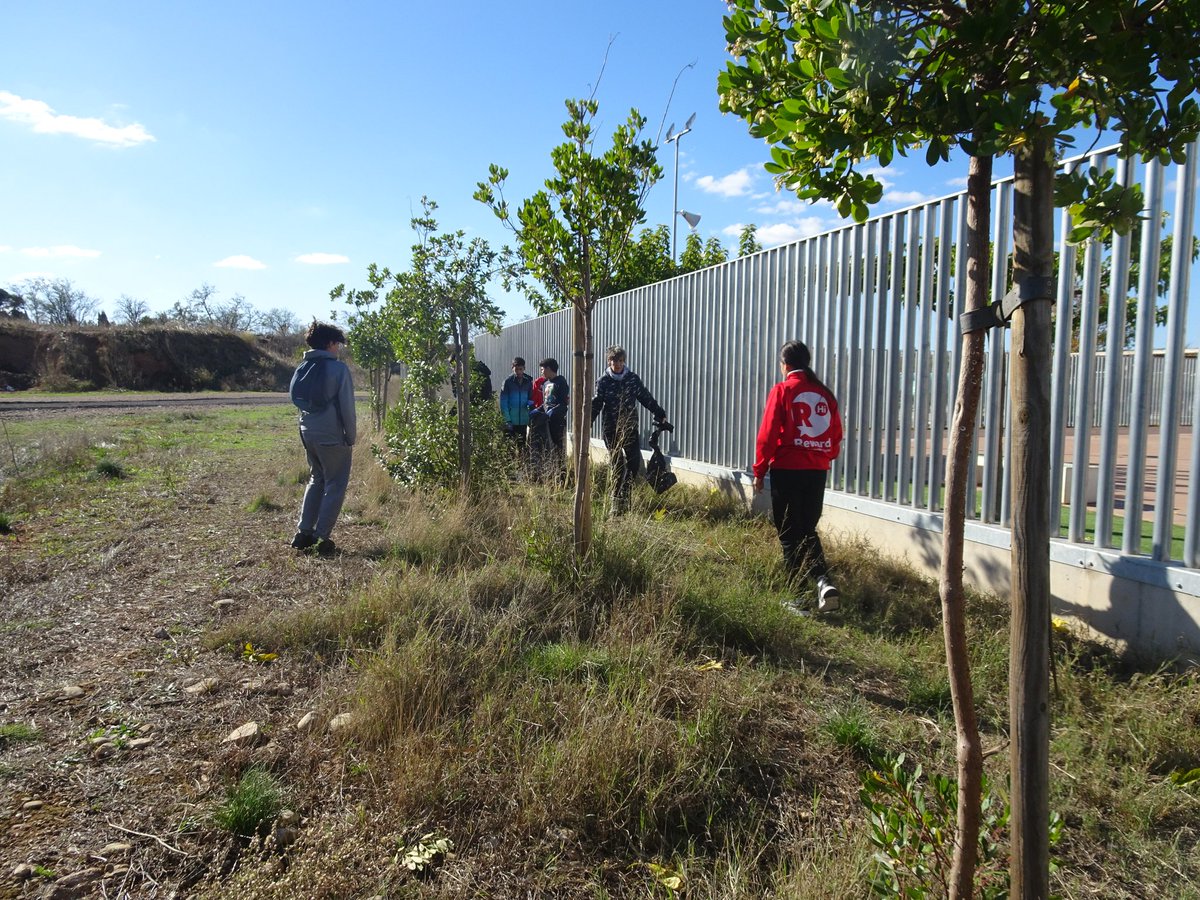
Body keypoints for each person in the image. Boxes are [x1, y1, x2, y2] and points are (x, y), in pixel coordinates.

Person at [752, 340, 843, 612]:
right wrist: (820, 455)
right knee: (806, 529)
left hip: (787, 469)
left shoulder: (782, 391)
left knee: (789, 533)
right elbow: (835, 436)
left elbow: (767, 435)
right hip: (816, 471)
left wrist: (759, 470)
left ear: (785, 365)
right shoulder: (824, 394)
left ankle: (797, 597)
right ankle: (823, 581)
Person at [289, 321, 357, 557]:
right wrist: (351, 436)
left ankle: (303, 532)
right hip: (332, 436)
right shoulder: (338, 370)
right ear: (329, 343)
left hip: (308, 433)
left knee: (316, 479)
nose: (338, 348)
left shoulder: (302, 368)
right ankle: (321, 538)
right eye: (337, 343)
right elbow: (347, 407)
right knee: (335, 484)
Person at [591, 345, 670, 514]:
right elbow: (597, 403)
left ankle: (624, 496)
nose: (617, 364)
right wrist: (588, 422)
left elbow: (645, 397)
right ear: (608, 361)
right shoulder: (603, 381)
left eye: (620, 360)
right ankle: (615, 503)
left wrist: (660, 413)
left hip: (630, 426)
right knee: (617, 464)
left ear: (624, 361)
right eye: (613, 360)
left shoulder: (632, 379)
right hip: (611, 428)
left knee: (634, 464)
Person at [530, 357, 569, 482]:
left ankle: (562, 476)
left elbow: (563, 403)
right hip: (545, 421)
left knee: (558, 448)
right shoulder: (546, 384)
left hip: (557, 421)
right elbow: (547, 403)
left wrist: (553, 412)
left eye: (542, 369)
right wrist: (539, 410)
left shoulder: (560, 382)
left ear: (548, 368)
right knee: (547, 448)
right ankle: (550, 474)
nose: (541, 372)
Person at [499, 356, 534, 445]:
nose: (518, 371)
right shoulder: (507, 382)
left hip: (523, 420)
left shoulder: (528, 382)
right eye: (516, 369)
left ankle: (522, 459)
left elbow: (530, 398)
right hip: (510, 419)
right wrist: (507, 419)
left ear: (524, 369)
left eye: (520, 369)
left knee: (522, 445)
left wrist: (530, 407)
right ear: (512, 368)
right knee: (509, 446)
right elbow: (503, 402)